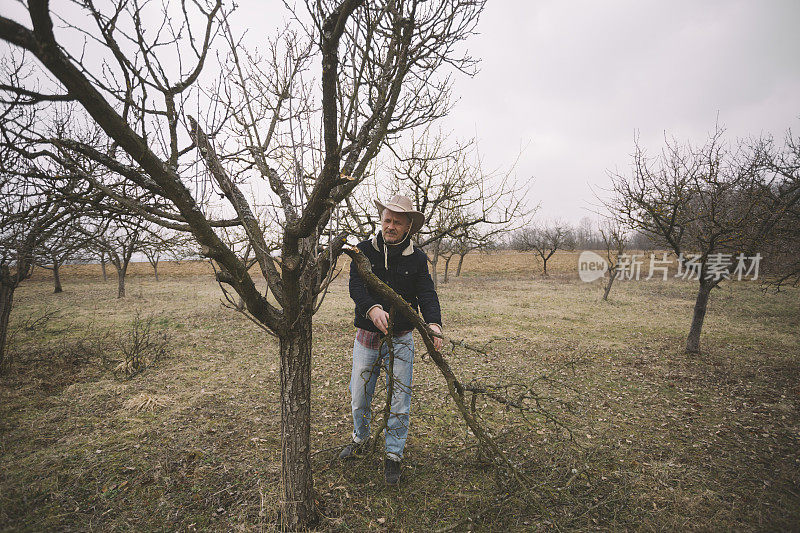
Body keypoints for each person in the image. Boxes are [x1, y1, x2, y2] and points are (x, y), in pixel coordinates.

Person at [341, 194, 443, 486]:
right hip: (366, 336)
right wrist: (372, 309)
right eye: (387, 220)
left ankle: (393, 455)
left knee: (401, 398)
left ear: (408, 226)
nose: (391, 226)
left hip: (401, 339)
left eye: (398, 222)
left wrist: (434, 323)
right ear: (381, 220)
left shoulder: (418, 258)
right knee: (360, 395)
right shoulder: (362, 251)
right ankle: (360, 439)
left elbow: (427, 293)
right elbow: (356, 287)